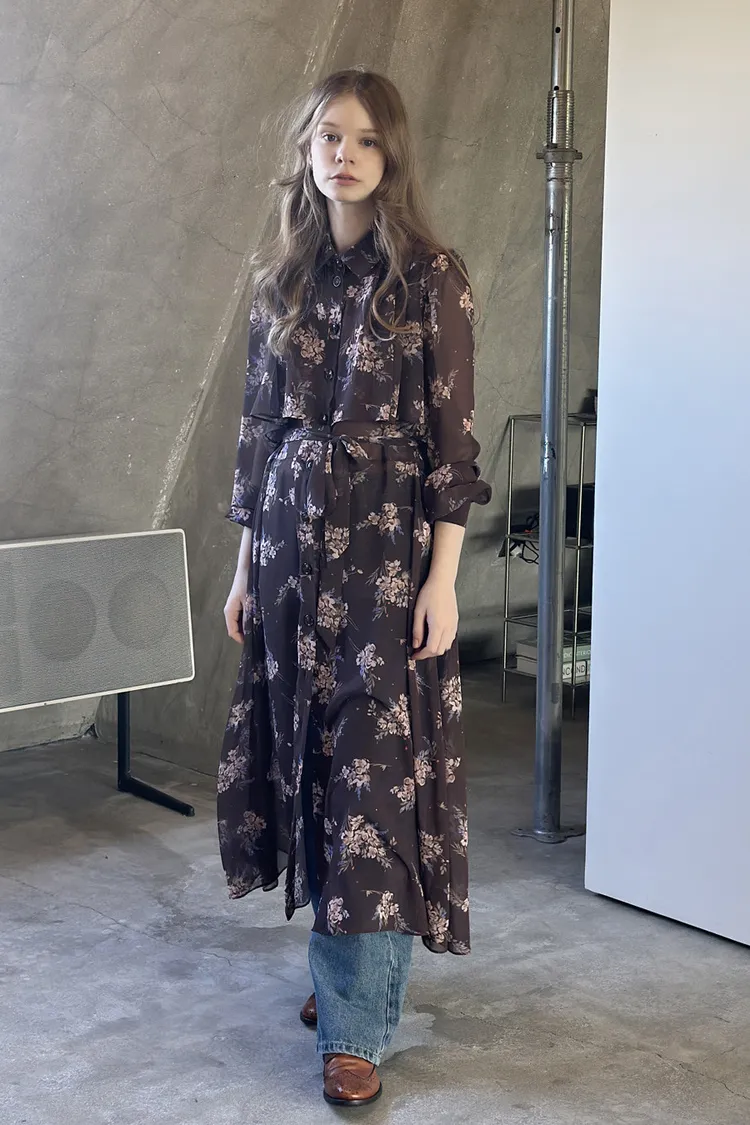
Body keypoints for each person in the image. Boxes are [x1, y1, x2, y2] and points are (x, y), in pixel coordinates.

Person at [218, 67, 491, 1107]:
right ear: (306, 148)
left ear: (392, 156)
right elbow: (257, 435)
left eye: (367, 139)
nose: (345, 155)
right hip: (291, 552)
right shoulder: (280, 280)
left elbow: (453, 447)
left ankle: (357, 1024)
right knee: (311, 766)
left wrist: (443, 580)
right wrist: (243, 571)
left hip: (385, 557)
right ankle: (349, 977)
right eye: (329, 136)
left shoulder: (431, 277)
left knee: (374, 780)